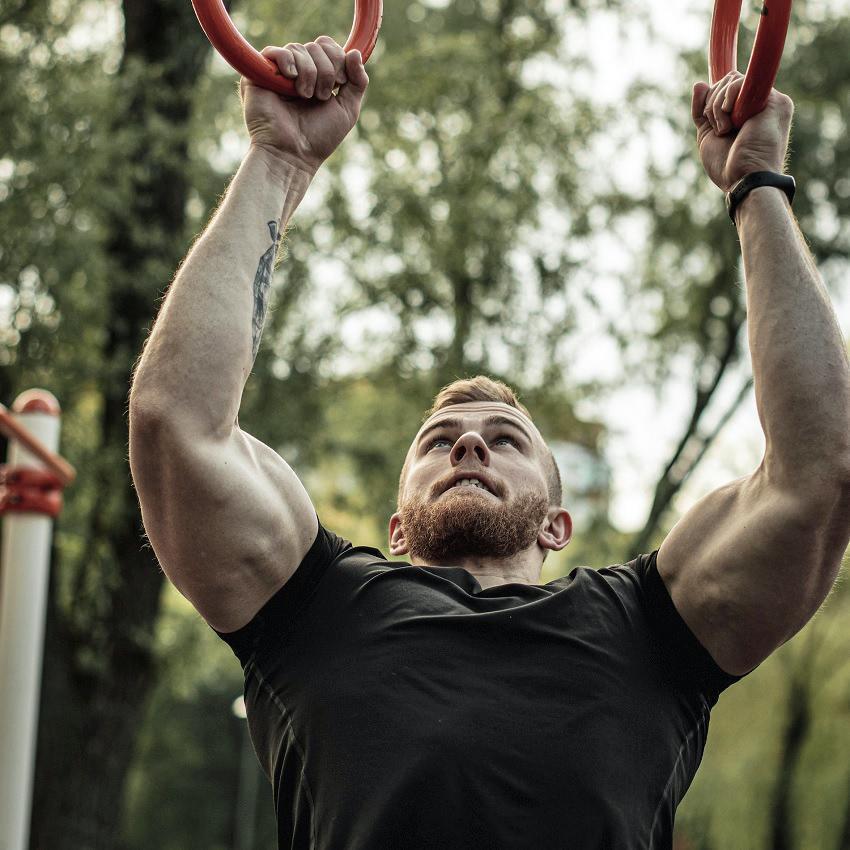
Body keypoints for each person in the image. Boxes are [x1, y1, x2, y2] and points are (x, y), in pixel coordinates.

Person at [128, 36, 850, 849]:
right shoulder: (318, 610)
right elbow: (175, 424)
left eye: (506, 440)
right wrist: (280, 160)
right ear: (397, 526)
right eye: (438, 441)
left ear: (556, 524)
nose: (468, 446)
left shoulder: (648, 631)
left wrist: (758, 185)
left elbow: (819, 473)